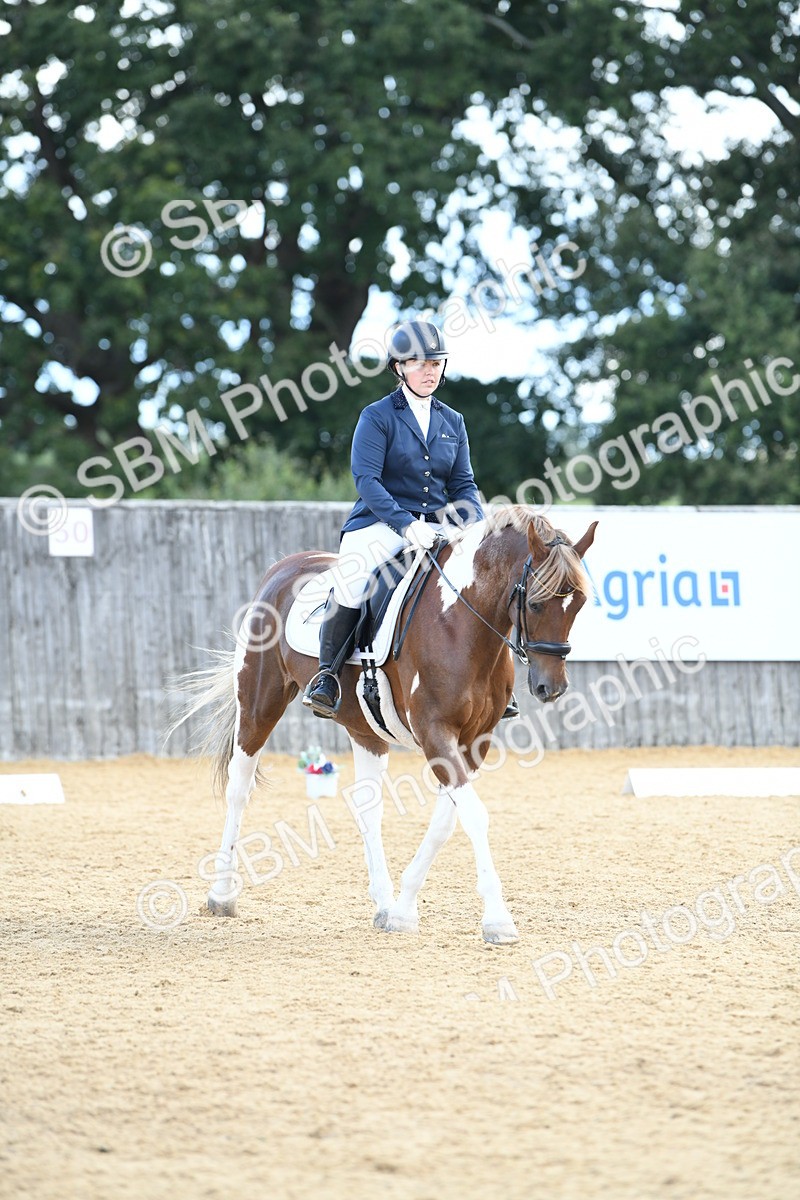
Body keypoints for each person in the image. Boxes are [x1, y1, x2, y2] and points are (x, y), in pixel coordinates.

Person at [302, 318, 518, 721]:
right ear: (399, 367)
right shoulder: (377, 415)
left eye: (435, 364)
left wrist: (470, 522)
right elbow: (367, 480)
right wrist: (405, 524)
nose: (429, 371)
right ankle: (327, 676)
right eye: (419, 364)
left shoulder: (453, 421)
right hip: (379, 525)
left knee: (483, 582)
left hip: (437, 528)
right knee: (353, 580)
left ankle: (495, 683)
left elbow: (464, 483)